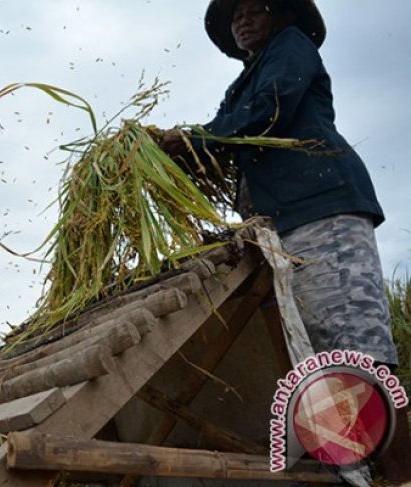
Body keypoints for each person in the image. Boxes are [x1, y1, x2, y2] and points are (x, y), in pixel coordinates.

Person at [159, 0, 410, 482]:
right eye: (235, 16)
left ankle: (401, 476)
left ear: (282, 16)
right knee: (317, 364)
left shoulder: (290, 50)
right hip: (283, 228)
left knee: (358, 354)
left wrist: (195, 138)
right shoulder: (241, 86)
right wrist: (182, 154)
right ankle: (353, 473)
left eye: (255, 10)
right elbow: (227, 139)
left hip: (323, 210)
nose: (242, 20)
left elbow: (268, 109)